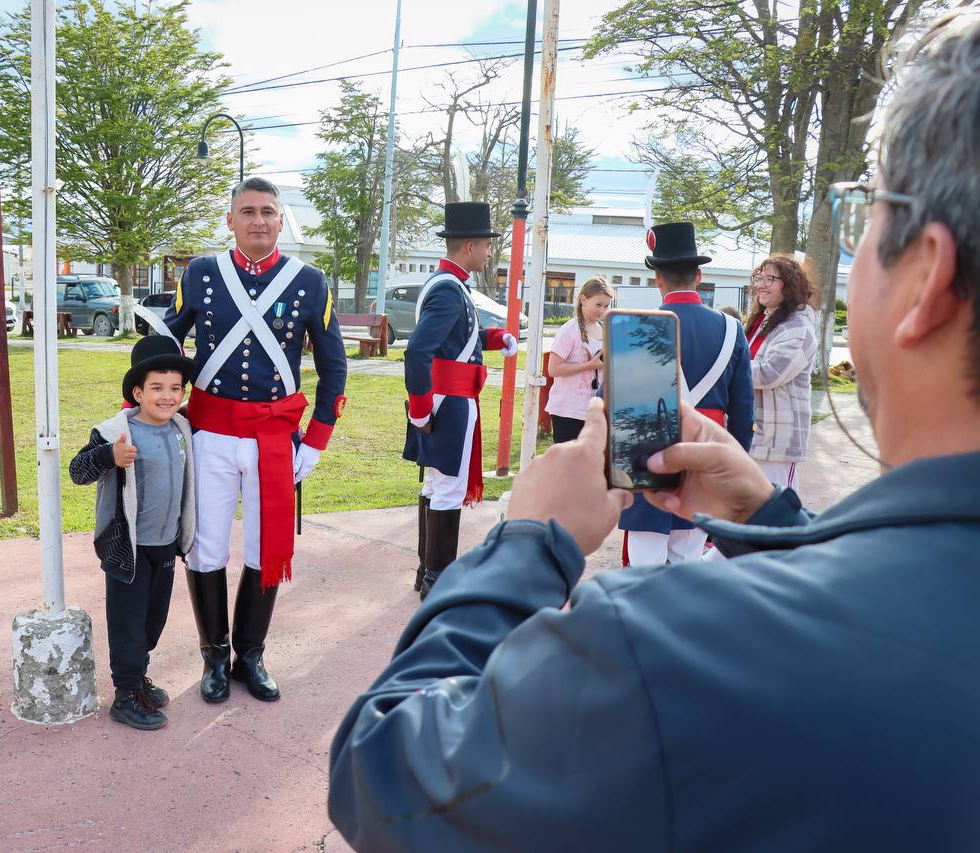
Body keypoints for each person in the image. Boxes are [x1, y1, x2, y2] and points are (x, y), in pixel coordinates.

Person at [328, 16, 980, 849]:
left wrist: (527, 542)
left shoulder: (670, 642)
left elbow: (382, 771)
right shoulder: (694, 325)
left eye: (866, 218)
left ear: (926, 275)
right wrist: (775, 525)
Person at [164, 176, 348, 704]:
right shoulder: (201, 273)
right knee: (206, 548)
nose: (259, 220)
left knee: (268, 548)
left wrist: (315, 442)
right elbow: (166, 339)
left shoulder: (309, 281)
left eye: (268, 211)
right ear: (231, 220)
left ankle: (252, 654)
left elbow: (333, 368)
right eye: (247, 211)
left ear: (280, 218)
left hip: (274, 437)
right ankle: (214, 657)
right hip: (211, 434)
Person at [68, 335, 196, 730]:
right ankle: (125, 694)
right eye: (157, 388)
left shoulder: (181, 428)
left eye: (175, 388)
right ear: (137, 392)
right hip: (129, 549)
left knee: (153, 620)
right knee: (128, 621)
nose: (167, 396)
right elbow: (78, 471)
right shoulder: (114, 432)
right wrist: (110, 456)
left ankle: (138, 675)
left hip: (165, 545)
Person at [617, 222, 753, 567]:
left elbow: (615, 406)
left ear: (658, 278)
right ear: (699, 275)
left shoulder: (637, 327)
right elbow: (743, 410)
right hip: (706, 456)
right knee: (689, 563)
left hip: (648, 459)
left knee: (643, 567)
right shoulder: (731, 328)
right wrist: (732, 464)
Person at [403, 201, 518, 598]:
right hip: (447, 401)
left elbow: (455, 340)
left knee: (436, 486)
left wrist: (493, 337)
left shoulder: (447, 284)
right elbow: (418, 351)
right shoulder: (451, 290)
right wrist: (419, 408)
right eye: (487, 245)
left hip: (443, 397)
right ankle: (439, 580)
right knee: (448, 489)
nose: (489, 252)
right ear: (470, 245)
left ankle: (427, 572)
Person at [744, 254, 819, 490]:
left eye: (771, 279)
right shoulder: (763, 321)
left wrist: (730, 368)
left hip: (777, 442)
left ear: (789, 285)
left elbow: (770, 373)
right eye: (760, 277)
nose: (761, 285)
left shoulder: (798, 327)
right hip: (754, 435)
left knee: (776, 516)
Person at [543, 276, 613, 443]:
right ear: (583, 299)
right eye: (598, 305)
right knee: (568, 466)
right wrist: (589, 365)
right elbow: (553, 369)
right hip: (568, 411)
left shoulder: (606, 329)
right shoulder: (569, 330)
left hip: (595, 411)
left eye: (606, 306)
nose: (602, 310)